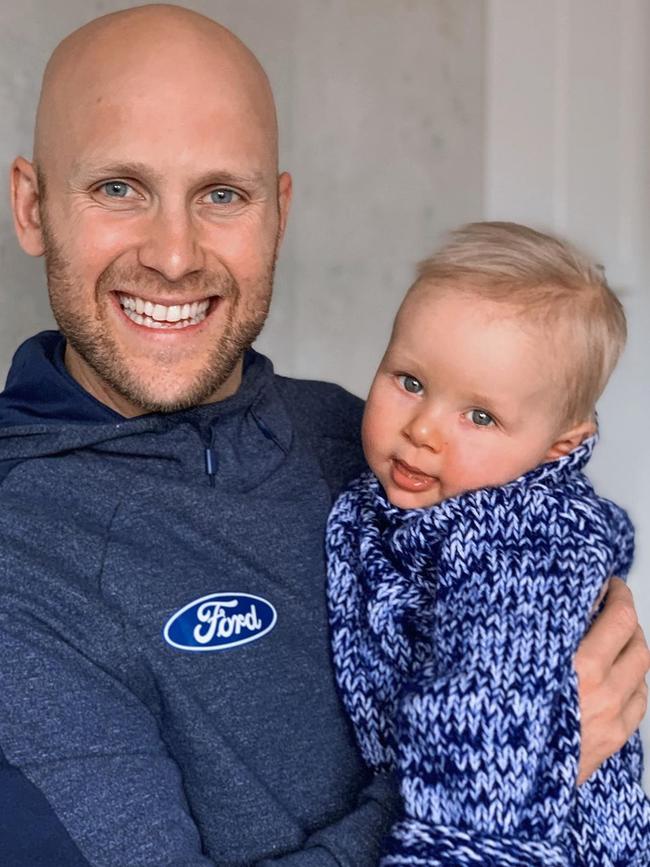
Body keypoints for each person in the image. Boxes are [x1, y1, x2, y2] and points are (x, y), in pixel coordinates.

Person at [0, 5, 647, 865]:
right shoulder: (24, 554)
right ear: (33, 205)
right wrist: (515, 752)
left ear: (279, 210)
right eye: (119, 188)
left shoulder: (363, 438)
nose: (174, 254)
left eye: (222, 194)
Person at [327, 222, 650, 865]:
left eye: (479, 416)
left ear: (559, 444)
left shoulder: (526, 545)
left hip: (535, 843)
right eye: (410, 382)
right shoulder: (410, 501)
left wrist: (457, 853)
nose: (422, 430)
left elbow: (486, 722)